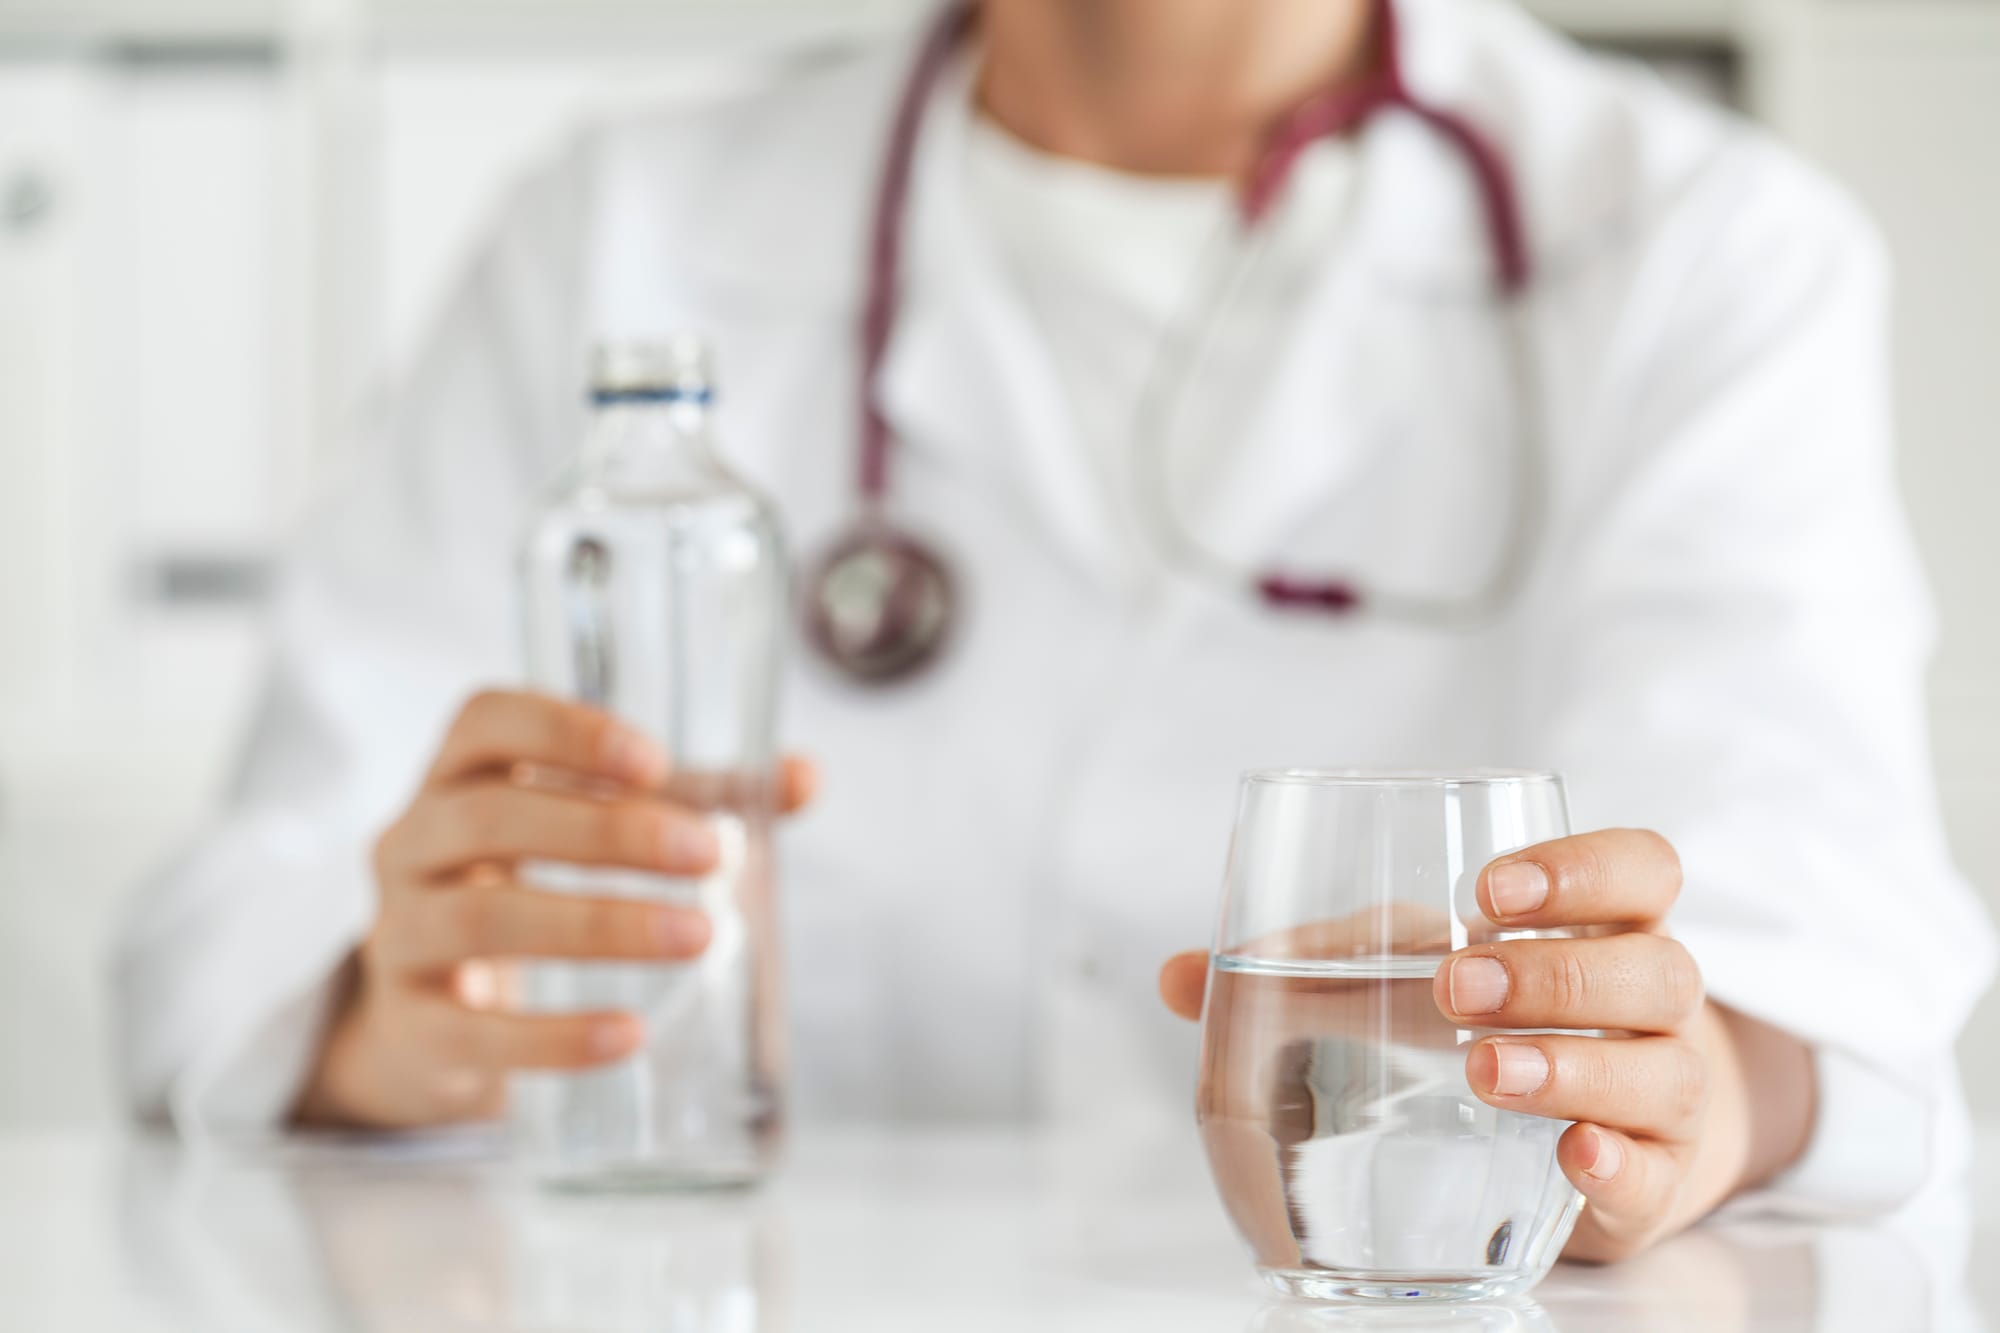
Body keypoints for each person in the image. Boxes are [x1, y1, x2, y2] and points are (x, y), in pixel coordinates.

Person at [117, 0, 1993, 1265]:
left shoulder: (1700, 250)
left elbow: (1820, 950)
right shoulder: (619, 233)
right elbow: (232, 937)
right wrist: (389, 1014)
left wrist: (1688, 1081)